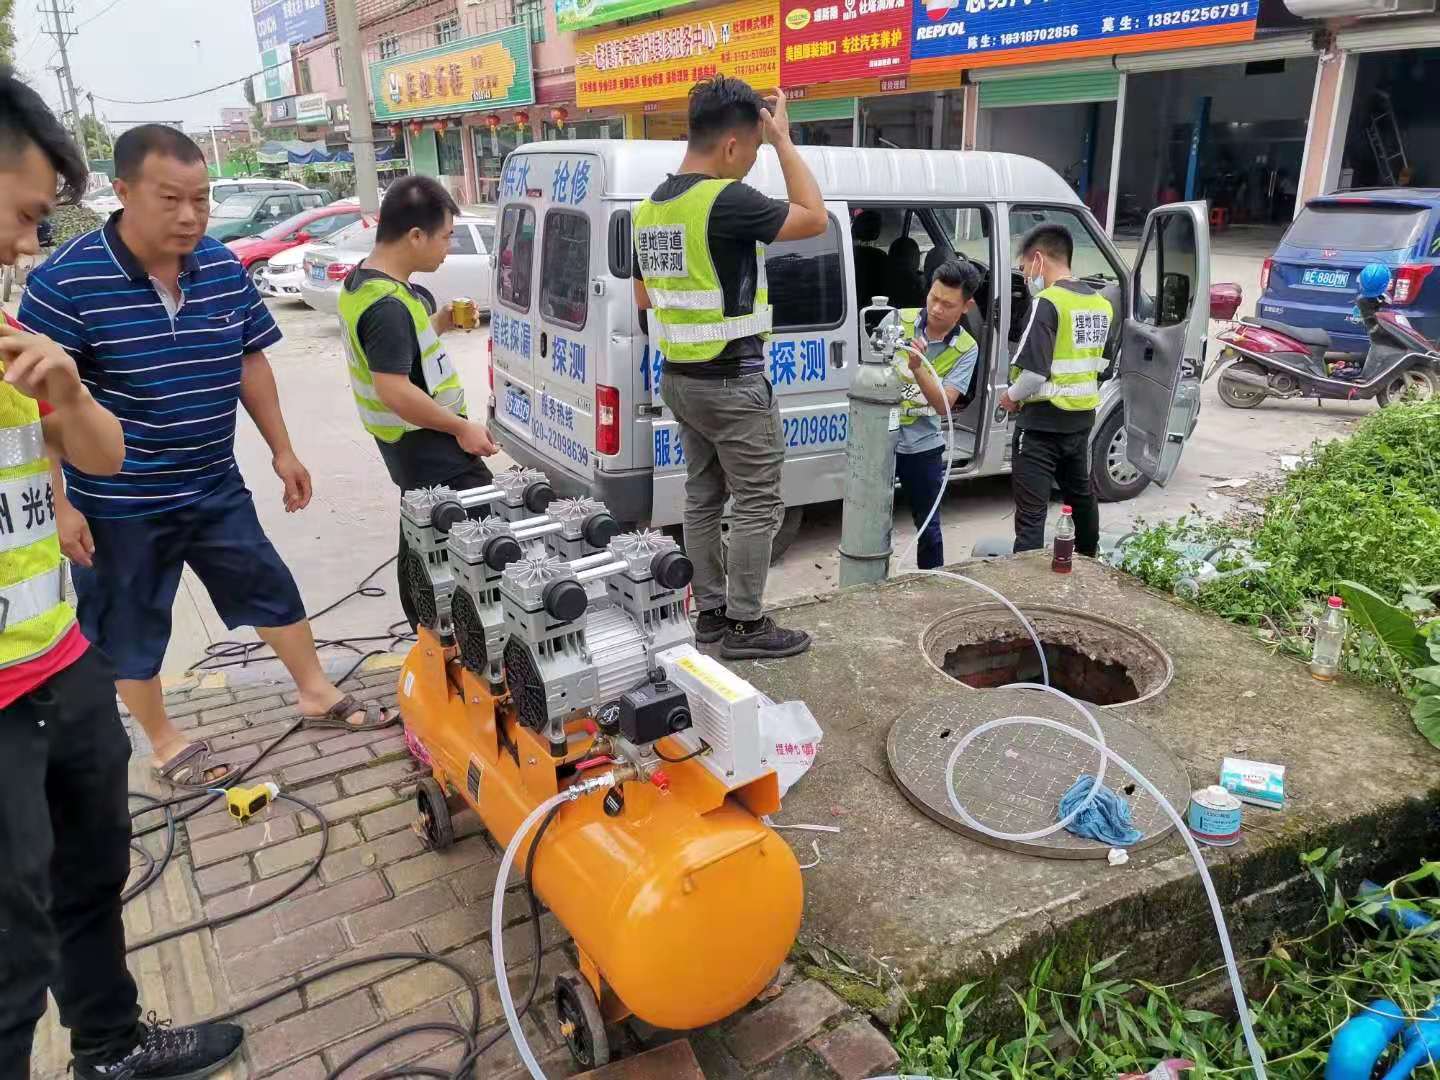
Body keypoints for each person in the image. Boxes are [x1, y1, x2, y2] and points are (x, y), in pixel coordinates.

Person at [0, 69, 244, 1080]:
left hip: (60, 662)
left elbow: (98, 457)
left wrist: (65, 387)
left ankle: (109, 1045)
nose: (24, 245)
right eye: (18, 216)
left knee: (93, 873)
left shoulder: (14, 335)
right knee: (9, 959)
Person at [20, 124, 390, 792]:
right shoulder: (65, 282)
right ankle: (164, 741)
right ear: (124, 191)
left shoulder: (220, 267)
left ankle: (315, 693)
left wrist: (282, 450)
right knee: (127, 624)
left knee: (266, 584)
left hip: (213, 482)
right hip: (117, 502)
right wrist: (62, 504)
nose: (190, 215)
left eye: (201, 199)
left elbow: (250, 359)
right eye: (171, 199)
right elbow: (38, 408)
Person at [632, 76, 827, 660]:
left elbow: (644, 298)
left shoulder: (650, 208)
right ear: (733, 146)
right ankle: (747, 625)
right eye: (756, 151)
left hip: (680, 380)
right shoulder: (724, 199)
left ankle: (711, 615)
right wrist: (786, 141)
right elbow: (813, 217)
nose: (752, 164)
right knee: (758, 502)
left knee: (702, 496)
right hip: (733, 383)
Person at [336, 175, 499, 629]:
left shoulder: (364, 284)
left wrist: (439, 323)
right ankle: (468, 641)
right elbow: (395, 390)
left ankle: (426, 630)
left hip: (406, 448)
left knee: (423, 533)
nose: (448, 247)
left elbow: (395, 354)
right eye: (446, 237)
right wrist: (461, 428)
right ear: (414, 236)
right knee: (483, 546)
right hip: (430, 448)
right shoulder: (386, 305)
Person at [999, 223, 1112, 559]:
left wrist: (1010, 398)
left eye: (1023, 269)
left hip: (1041, 425)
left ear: (1038, 260)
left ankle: (1027, 588)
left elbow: (1034, 373)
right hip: (1080, 422)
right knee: (1080, 497)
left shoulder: (1048, 302)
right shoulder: (1100, 304)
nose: (1025, 277)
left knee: (1032, 513)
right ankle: (1089, 563)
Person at [881, 258, 982, 570]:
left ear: (966, 306)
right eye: (934, 298)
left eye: (948, 304)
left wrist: (918, 367)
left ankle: (932, 586)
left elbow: (944, 405)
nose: (937, 309)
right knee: (870, 520)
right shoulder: (899, 321)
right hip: (882, 440)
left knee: (929, 528)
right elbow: (870, 374)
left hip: (924, 445)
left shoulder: (967, 348)